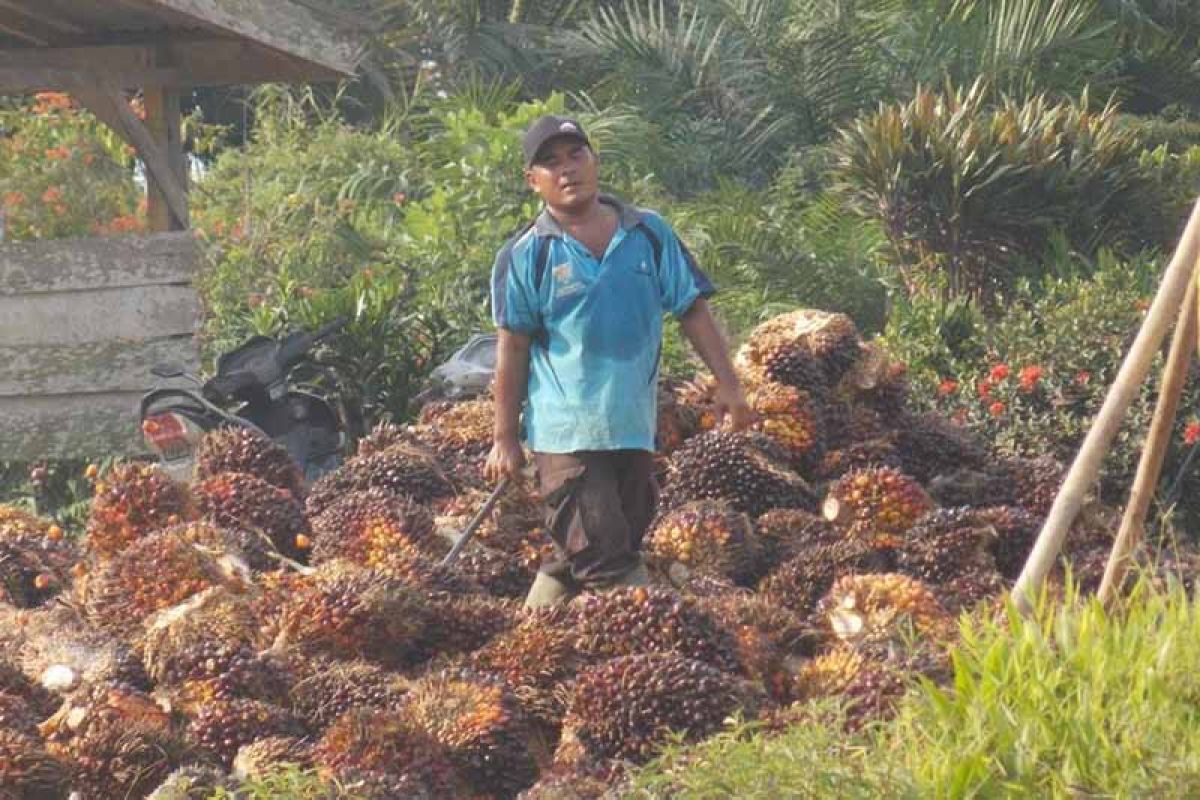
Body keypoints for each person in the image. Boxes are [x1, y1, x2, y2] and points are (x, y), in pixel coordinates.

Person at [484, 114, 754, 608]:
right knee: (608, 561)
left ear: (595, 160)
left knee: (602, 545)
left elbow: (691, 308)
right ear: (533, 181)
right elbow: (513, 347)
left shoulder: (648, 233)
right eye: (550, 163)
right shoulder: (526, 254)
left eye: (575, 155)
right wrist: (504, 438)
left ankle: (531, 634)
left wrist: (730, 385)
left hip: (632, 425)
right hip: (565, 433)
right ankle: (655, 652)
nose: (567, 170)